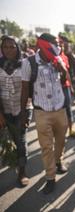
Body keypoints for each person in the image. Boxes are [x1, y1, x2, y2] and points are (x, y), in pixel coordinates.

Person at [21, 33, 69, 194]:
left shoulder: (58, 59)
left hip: (60, 109)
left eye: (59, 44)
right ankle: (50, 177)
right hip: (41, 112)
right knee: (46, 146)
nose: (58, 46)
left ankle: (59, 160)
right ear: (43, 45)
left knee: (61, 140)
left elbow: (65, 80)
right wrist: (23, 113)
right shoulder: (29, 63)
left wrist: (62, 70)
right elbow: (25, 89)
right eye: (55, 43)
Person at [0, 36, 29, 186]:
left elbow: (28, 89)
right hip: (3, 109)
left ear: (17, 48)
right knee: (6, 141)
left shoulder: (25, 64)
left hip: (21, 109)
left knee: (20, 140)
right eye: (5, 47)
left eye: (12, 47)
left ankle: (22, 171)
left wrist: (24, 113)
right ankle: (11, 163)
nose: (9, 50)